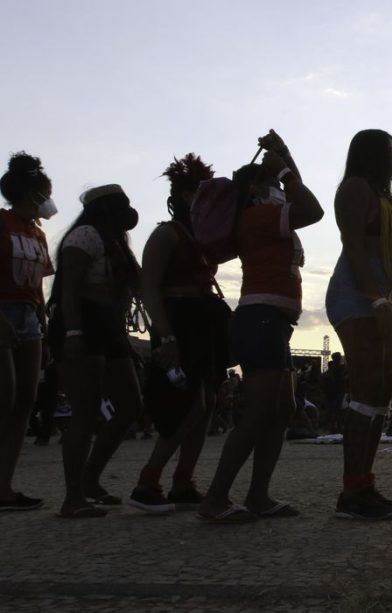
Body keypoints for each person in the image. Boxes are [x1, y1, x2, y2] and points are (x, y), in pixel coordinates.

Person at [198, 130, 323, 522]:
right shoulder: (257, 217)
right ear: (256, 189)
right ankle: (215, 498)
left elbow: (296, 194)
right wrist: (283, 169)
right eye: (273, 185)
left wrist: (284, 154)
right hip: (262, 320)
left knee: (281, 409)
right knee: (258, 413)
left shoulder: (262, 214)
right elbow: (312, 207)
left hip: (272, 322)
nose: (280, 190)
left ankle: (258, 495)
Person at [129, 153, 231, 514]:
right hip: (176, 322)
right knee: (189, 404)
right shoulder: (165, 235)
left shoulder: (203, 238)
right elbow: (150, 289)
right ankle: (148, 480)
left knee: (206, 405)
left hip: (201, 321)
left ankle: (183, 482)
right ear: (184, 195)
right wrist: (167, 336)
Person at [48, 184, 144, 518]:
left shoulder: (116, 242)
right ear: (105, 208)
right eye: (121, 204)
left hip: (108, 328)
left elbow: (125, 293)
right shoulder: (85, 236)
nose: (128, 210)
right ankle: (73, 497)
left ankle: (90, 479)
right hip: (82, 323)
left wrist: (122, 338)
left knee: (131, 404)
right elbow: (69, 290)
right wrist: (73, 332)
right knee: (85, 412)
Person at [325, 129, 392, 520]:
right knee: (365, 389)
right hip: (356, 296)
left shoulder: (377, 191)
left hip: (376, 296)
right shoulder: (355, 189)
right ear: (371, 155)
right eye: (389, 152)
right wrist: (376, 302)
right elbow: (355, 248)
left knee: (382, 393)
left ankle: (365, 483)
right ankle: (350, 492)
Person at [0, 153, 56, 511]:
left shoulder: (37, 233)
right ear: (33, 193)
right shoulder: (2, 223)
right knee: (4, 398)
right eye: (46, 193)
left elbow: (37, 285)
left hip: (29, 315)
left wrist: (43, 326)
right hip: (2, 309)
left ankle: (4, 486)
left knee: (24, 401)